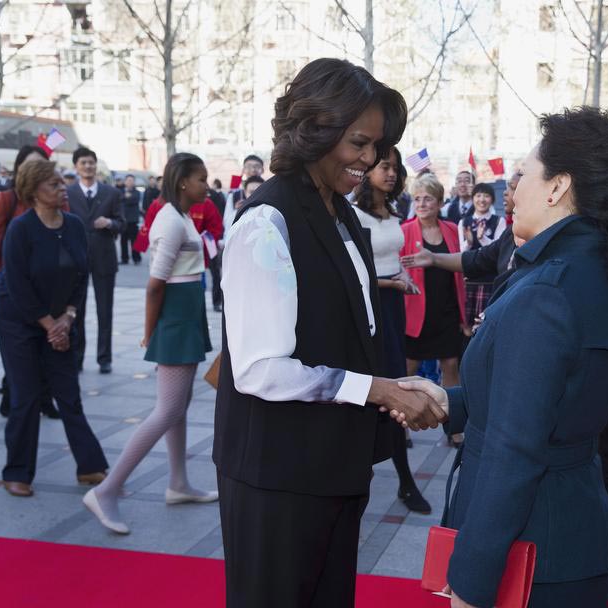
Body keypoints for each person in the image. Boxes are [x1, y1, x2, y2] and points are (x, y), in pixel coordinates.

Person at [395, 107, 608, 608]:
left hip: (530, 549)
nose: (513, 191)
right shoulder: (585, 267)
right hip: (563, 535)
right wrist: (452, 402)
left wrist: (471, 582)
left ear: (557, 187)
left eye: (525, 174)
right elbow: (550, 400)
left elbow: (515, 451)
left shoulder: (547, 291)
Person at [211, 58, 446, 607]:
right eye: (359, 142)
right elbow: (259, 370)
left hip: (334, 466)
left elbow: (347, 331)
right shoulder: (265, 223)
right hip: (276, 475)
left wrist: (392, 387)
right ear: (314, 130)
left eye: (377, 146)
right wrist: (378, 389)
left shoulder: (341, 212)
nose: (370, 159)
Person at [83, 153, 217, 534]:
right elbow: (155, 285)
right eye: (201, 179)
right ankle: (107, 490)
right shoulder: (171, 221)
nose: (207, 186)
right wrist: (149, 330)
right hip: (175, 318)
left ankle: (178, 483)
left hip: (185, 314)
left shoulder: (180, 217)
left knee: (179, 406)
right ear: (183, 182)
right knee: (168, 409)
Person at [0, 159, 108, 497]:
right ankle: (17, 472)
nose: (62, 189)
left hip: (60, 316)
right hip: (18, 319)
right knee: (26, 395)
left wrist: (67, 318)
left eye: (62, 183)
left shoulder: (73, 224)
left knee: (68, 392)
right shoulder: (21, 229)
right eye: (54, 185)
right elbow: (17, 285)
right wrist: (49, 325)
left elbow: (81, 275)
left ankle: (89, 466)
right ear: (33, 192)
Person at [352, 146, 430, 514]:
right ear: (367, 170)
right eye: (385, 166)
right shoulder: (353, 215)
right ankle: (360, 475)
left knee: (398, 384)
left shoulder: (393, 211)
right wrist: (393, 283)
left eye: (396, 168)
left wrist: (401, 277)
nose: (392, 173)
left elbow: (389, 259)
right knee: (374, 387)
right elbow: (357, 274)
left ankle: (405, 480)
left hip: (394, 304)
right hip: (371, 306)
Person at [0, 145, 63, 417]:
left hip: (48, 289)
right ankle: (14, 396)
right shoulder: (9, 199)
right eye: (30, 164)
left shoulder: (57, 198)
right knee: (19, 349)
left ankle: (44, 398)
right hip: (13, 287)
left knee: (46, 346)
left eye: (42, 165)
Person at [401, 173, 466, 393]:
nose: (421, 204)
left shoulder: (451, 228)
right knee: (408, 368)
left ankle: (452, 414)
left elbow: (459, 266)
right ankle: (402, 416)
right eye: (417, 199)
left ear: (439, 203)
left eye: (427, 198)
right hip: (417, 312)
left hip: (447, 310)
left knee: (451, 366)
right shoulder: (404, 230)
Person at [66, 146, 125, 374]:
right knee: (76, 310)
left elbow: (122, 223)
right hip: (75, 259)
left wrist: (109, 223)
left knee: (105, 310)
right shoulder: (68, 193)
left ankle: (104, 358)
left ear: (96, 164)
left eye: (91, 162)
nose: (88, 166)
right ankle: (77, 357)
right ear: (76, 167)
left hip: (104, 257)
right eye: (83, 162)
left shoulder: (111, 193)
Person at [458, 182, 503, 332]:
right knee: (466, 327)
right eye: (478, 195)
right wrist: (469, 242)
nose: (482, 200)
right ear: (473, 199)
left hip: (490, 280)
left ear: (492, 200)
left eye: (486, 196)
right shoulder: (464, 222)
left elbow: (499, 251)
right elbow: (461, 252)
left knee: (486, 326)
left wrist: (482, 238)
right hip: (469, 280)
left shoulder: (499, 221)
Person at [120, 174, 143, 264]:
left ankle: (136, 258)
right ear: (125, 182)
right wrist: (125, 197)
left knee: (135, 241)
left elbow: (134, 200)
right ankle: (124, 259)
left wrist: (126, 199)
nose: (130, 182)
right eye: (128, 180)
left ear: (134, 182)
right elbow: (119, 200)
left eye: (132, 180)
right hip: (123, 220)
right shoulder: (120, 191)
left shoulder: (137, 192)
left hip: (133, 220)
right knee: (123, 241)